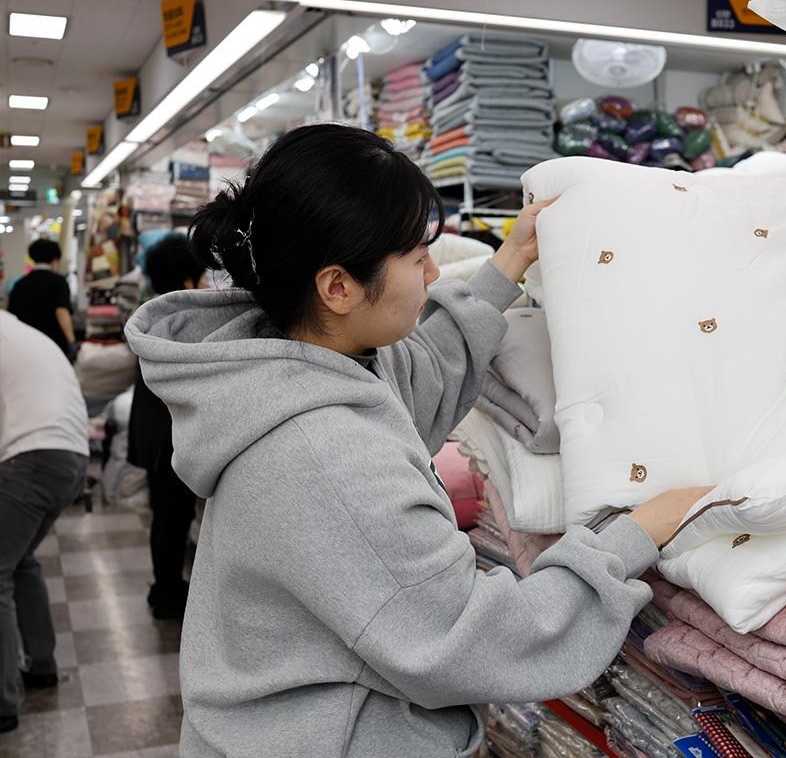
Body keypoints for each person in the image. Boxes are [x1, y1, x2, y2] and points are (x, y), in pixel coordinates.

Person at [125, 124, 712, 756]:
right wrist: (634, 534)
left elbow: (419, 378)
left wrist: (510, 261)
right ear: (338, 287)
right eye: (414, 257)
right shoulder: (325, 454)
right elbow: (470, 639)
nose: (433, 271)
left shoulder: (300, 363)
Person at [0, 310, 90, 735]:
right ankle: (40, 664)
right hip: (70, 456)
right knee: (19, 561)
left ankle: (2, 701)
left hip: (33, 455)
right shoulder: (21, 332)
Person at [128, 234, 207, 620]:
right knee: (174, 519)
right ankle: (168, 593)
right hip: (171, 441)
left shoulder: (152, 315)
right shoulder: (183, 320)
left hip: (157, 439)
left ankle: (165, 587)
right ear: (187, 278)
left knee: (167, 518)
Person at [6, 239, 76, 359]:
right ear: (55, 259)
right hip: (53, 344)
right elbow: (61, 312)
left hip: (25, 345)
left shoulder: (19, 284)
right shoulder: (58, 282)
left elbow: (11, 317)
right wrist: (71, 341)